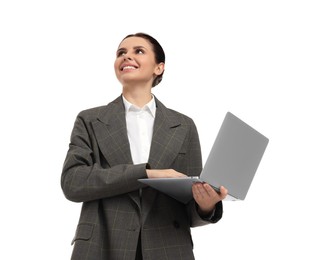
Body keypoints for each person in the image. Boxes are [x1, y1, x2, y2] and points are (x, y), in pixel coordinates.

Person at [61, 32, 228, 260]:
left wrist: (205, 206)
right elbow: (73, 182)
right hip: (103, 245)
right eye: (121, 53)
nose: (126, 56)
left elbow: (189, 207)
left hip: (168, 248)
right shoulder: (90, 120)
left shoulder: (183, 125)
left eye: (138, 51)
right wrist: (146, 173)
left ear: (158, 68)